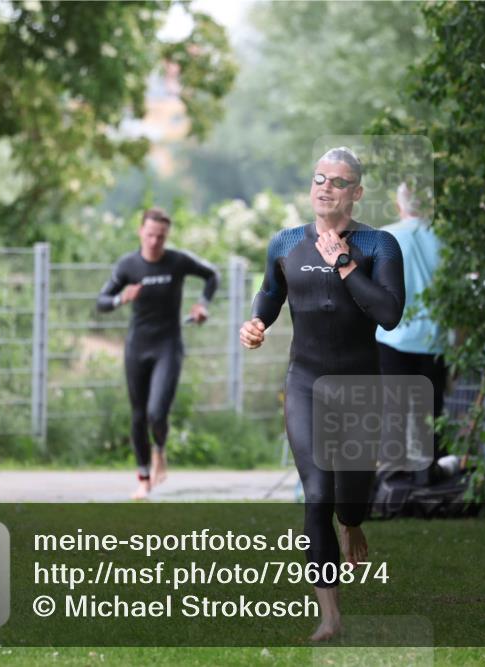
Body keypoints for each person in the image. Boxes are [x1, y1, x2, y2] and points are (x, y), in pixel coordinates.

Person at [239, 147, 405, 641]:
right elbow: (270, 295)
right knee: (316, 495)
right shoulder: (286, 243)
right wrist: (256, 323)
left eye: (338, 182)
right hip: (306, 383)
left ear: (356, 192)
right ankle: (330, 615)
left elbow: (390, 314)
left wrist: (346, 265)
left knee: (350, 498)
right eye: (318, 179)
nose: (324, 188)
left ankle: (353, 522)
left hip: (359, 386)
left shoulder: (380, 245)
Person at [97, 208, 219, 500]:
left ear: (167, 236)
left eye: (160, 236)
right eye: (150, 234)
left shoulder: (177, 261)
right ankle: (143, 479)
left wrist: (202, 305)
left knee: (156, 412)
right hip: (137, 346)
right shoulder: (128, 265)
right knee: (138, 415)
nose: (154, 241)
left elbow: (211, 275)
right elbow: (101, 301)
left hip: (168, 345)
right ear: (141, 232)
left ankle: (160, 450)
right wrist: (119, 298)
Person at [376, 183, 449, 477]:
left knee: (393, 408)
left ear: (399, 205)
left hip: (392, 336)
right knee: (430, 411)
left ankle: (393, 472)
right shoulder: (445, 239)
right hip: (434, 337)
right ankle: (426, 472)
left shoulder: (386, 237)